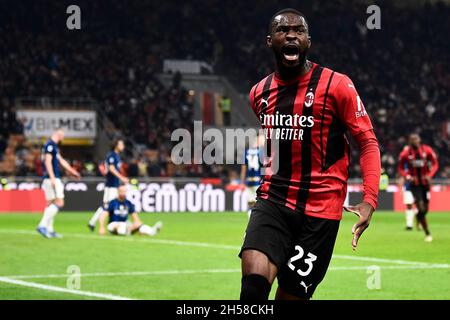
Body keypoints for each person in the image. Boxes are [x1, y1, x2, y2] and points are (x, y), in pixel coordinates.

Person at [239, 8, 381, 300]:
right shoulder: (259, 93)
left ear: (308, 41)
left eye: (298, 30)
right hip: (273, 201)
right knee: (252, 289)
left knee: (290, 296)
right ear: (270, 41)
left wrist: (370, 199)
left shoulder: (338, 85)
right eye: (282, 30)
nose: (291, 34)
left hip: (320, 213)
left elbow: (367, 143)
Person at [36, 128, 81, 238]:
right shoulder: (50, 145)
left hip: (50, 178)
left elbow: (61, 161)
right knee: (60, 202)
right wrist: (52, 177)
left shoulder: (53, 146)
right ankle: (42, 225)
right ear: (57, 133)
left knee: (50, 204)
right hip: (52, 178)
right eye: (63, 135)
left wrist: (72, 171)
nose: (63, 137)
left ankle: (49, 230)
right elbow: (47, 161)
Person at [398, 134, 439, 242]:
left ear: (419, 140)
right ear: (410, 142)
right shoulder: (406, 153)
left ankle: (418, 217)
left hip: (425, 184)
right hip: (414, 185)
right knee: (420, 207)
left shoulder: (427, 150)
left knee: (425, 209)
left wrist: (430, 175)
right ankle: (427, 233)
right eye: (412, 140)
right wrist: (407, 176)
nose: (415, 141)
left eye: (416, 139)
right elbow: (400, 168)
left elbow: (435, 164)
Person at [88, 139, 128, 231]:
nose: (123, 146)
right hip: (111, 185)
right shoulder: (112, 156)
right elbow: (111, 169)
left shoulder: (117, 156)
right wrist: (122, 178)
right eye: (121, 144)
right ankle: (95, 223)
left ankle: (93, 222)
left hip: (114, 185)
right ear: (116, 145)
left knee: (107, 205)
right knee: (107, 205)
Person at [240, 135, 264, 218]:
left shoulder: (247, 152)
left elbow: (243, 168)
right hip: (258, 181)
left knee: (250, 204)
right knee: (258, 204)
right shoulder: (261, 152)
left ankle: (250, 223)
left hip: (249, 181)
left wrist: (242, 182)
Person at [398, 161, 418, 231]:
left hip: (417, 188)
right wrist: (401, 188)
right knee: (409, 205)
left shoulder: (418, 163)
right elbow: (402, 176)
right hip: (408, 188)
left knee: (418, 206)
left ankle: (420, 222)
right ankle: (409, 224)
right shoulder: (405, 164)